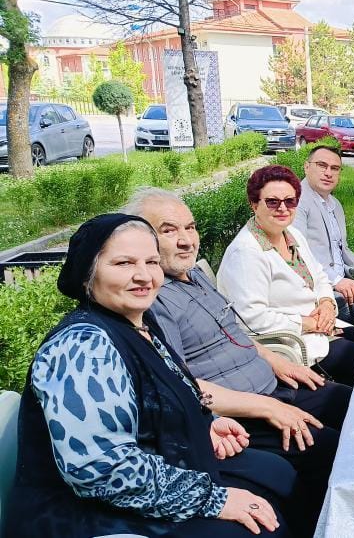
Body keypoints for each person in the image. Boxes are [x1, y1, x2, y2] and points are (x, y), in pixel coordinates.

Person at [6, 214, 292, 538]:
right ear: (88, 274)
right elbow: (100, 469)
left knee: (278, 474)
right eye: (124, 263)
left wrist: (204, 424)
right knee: (262, 527)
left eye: (152, 262)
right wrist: (212, 499)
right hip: (85, 517)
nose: (144, 276)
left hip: (150, 476)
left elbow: (159, 394)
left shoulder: (138, 323)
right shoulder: (82, 346)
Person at [126, 187, 351, 533]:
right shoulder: (153, 299)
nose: (186, 240)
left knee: (348, 402)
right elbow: (178, 384)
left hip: (273, 384)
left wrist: (277, 361)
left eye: (190, 228)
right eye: (168, 230)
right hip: (241, 413)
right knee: (328, 448)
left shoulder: (194, 275)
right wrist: (266, 407)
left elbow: (236, 332)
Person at [216, 165, 354, 386]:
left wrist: (326, 303)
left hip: (323, 329)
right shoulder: (245, 253)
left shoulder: (291, 234)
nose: (283, 208)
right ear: (254, 204)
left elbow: (319, 276)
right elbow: (251, 319)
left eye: (290, 201)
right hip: (294, 346)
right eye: (272, 202)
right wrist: (309, 323)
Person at [293, 145, 354, 328]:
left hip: (345, 284)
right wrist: (337, 281)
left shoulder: (335, 204)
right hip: (322, 294)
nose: (328, 173)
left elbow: (342, 249)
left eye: (335, 168)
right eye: (322, 165)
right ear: (306, 167)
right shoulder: (296, 201)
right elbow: (297, 255)